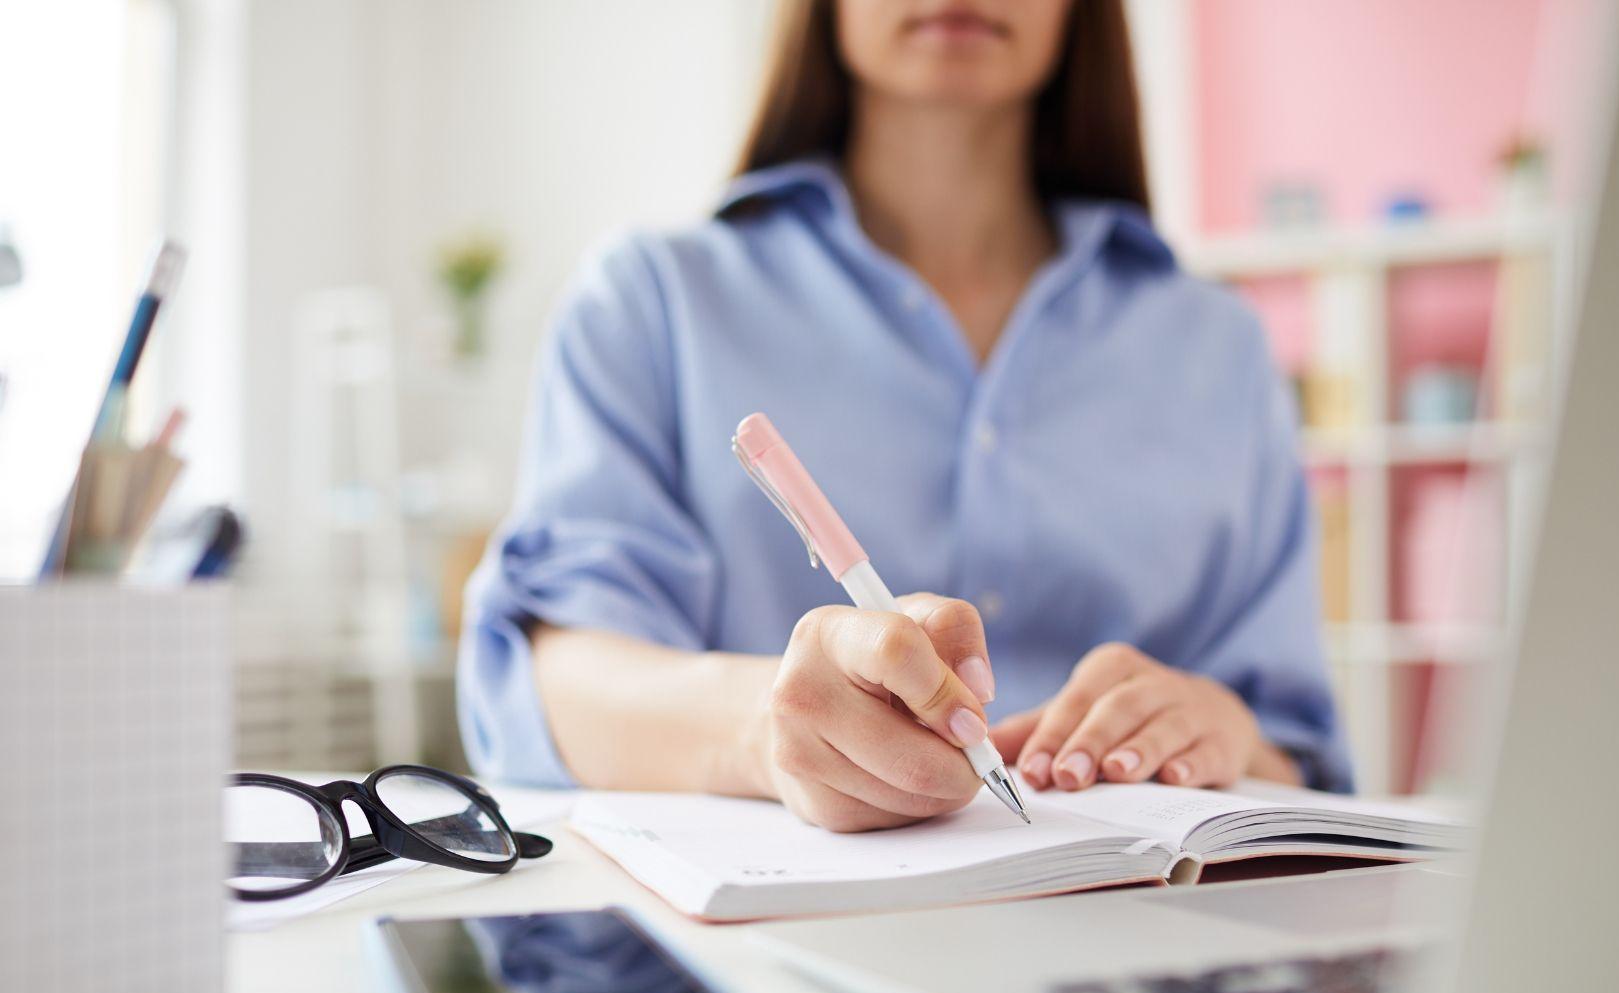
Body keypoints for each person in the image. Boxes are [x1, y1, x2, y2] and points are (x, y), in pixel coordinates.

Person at [459, 0, 1350, 833]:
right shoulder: (652, 300)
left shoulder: (1219, 345)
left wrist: (1225, 733)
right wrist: (767, 728)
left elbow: (1299, 759)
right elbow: (550, 682)